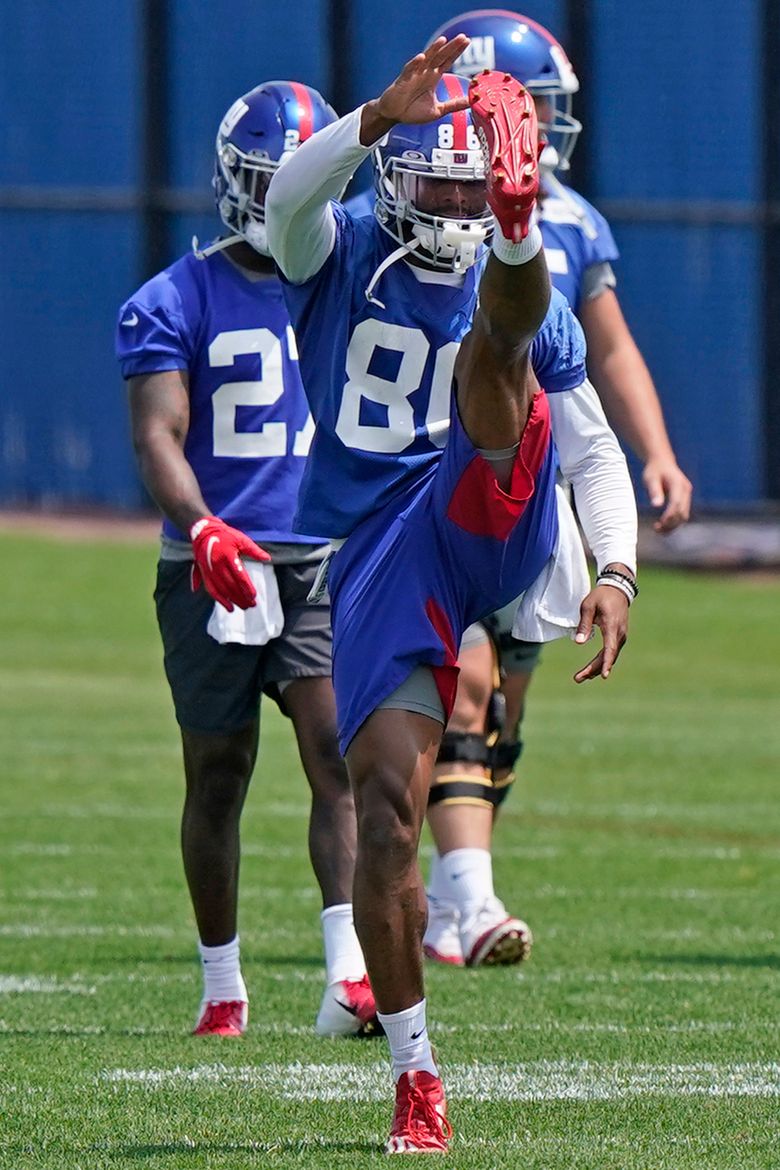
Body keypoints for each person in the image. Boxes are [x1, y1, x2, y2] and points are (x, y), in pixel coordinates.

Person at [265, 35, 637, 1152]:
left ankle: (526, 249)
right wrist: (378, 116)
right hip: (382, 547)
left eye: (477, 187)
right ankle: (416, 1074)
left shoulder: (510, 285)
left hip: (491, 501)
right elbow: (289, 199)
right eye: (441, 182)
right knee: (386, 812)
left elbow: (595, 449)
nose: (450, 202)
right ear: (391, 179)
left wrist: (614, 565)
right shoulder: (339, 256)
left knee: (499, 345)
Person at [416, 9, 694, 969]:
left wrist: (653, 451)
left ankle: (450, 890)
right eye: (530, 107)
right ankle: (470, 896)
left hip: (542, 495)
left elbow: (604, 347)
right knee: (467, 687)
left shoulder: (574, 222)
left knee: (505, 710)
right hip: (437, 478)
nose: (546, 127)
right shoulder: (426, 198)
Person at [115, 81, 379, 1041]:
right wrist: (204, 529)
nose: (284, 206)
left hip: (320, 560)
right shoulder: (171, 299)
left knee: (337, 757)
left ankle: (349, 977)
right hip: (211, 564)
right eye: (270, 185)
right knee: (218, 773)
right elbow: (158, 437)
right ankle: (222, 983)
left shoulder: (354, 282)